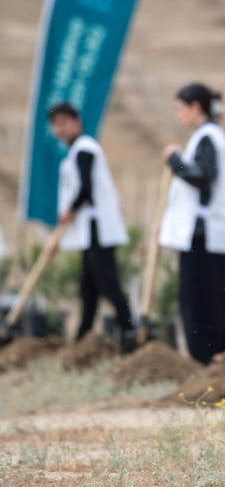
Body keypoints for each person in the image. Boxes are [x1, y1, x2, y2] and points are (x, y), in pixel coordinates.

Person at [159, 84, 225, 365]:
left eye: (180, 109)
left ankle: (207, 357)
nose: (178, 116)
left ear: (195, 107)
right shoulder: (208, 137)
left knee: (199, 299)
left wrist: (174, 161)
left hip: (204, 233)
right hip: (209, 232)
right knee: (220, 292)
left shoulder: (208, 137)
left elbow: (202, 177)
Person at [46, 103, 135, 347]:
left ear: (77, 122)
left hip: (98, 231)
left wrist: (69, 210)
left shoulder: (85, 149)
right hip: (88, 233)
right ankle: (82, 338)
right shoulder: (76, 152)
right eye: (56, 124)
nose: (59, 129)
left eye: (64, 123)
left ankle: (129, 332)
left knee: (109, 285)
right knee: (89, 288)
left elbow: (86, 188)